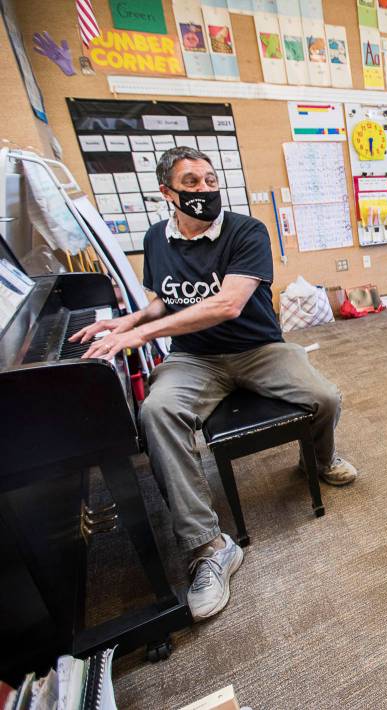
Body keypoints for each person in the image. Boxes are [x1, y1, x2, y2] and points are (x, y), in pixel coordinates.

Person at [68, 147, 357, 621]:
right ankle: (209, 547)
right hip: (194, 358)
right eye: (191, 182)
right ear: (168, 193)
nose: (204, 190)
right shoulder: (156, 239)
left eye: (209, 180)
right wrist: (127, 322)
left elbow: (226, 305)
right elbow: (166, 302)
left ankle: (320, 461)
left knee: (325, 397)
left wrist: (140, 334)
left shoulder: (246, 231)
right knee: (156, 413)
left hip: (258, 348)